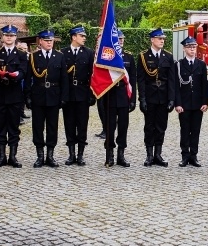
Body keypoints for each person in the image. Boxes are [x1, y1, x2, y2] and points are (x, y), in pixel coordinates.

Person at [26, 29, 68, 168]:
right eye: (47, 40)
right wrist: (28, 97)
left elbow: (64, 79)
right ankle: (40, 155)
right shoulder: (33, 57)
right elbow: (28, 78)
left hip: (54, 95)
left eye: (51, 41)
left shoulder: (59, 56)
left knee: (52, 126)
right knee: (37, 127)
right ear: (41, 42)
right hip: (38, 95)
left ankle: (50, 155)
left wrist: (63, 97)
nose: (50, 43)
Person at [0, 25, 27, 168]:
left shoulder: (22, 54)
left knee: (14, 126)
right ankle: (1, 156)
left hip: (15, 94)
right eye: (6, 35)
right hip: (0, 94)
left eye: (12, 35)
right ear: (2, 37)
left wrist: (14, 76)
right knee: (0, 125)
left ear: (15, 37)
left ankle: (13, 156)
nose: (9, 37)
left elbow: (23, 72)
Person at [137, 28, 176, 167]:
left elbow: (172, 79)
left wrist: (172, 99)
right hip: (150, 96)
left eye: (163, 39)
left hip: (163, 96)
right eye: (159, 38)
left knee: (161, 126)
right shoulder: (143, 56)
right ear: (152, 40)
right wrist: (142, 99)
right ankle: (149, 155)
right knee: (149, 127)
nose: (162, 41)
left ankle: (158, 154)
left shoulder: (168, 56)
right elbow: (140, 80)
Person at [101, 30, 136, 168]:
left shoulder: (128, 57)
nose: (121, 41)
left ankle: (121, 155)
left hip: (123, 96)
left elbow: (132, 79)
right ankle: (109, 155)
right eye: (118, 39)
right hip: (110, 96)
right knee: (109, 128)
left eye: (122, 39)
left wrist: (133, 99)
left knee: (123, 127)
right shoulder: (107, 56)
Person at [61, 25, 95, 165]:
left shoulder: (88, 53)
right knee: (69, 123)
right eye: (81, 36)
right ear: (73, 37)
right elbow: (61, 76)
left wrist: (92, 94)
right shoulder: (63, 53)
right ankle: (71, 154)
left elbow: (93, 75)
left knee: (82, 124)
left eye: (84, 36)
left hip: (82, 92)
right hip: (68, 94)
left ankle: (80, 154)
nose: (84, 38)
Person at [174, 36, 208, 167]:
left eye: (194, 47)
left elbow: (204, 86)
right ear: (184, 49)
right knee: (184, 130)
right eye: (189, 47)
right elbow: (176, 86)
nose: (192, 49)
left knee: (195, 130)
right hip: (184, 104)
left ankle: (194, 156)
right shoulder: (178, 65)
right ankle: (185, 155)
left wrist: (205, 102)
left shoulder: (201, 65)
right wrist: (178, 103)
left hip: (198, 104)